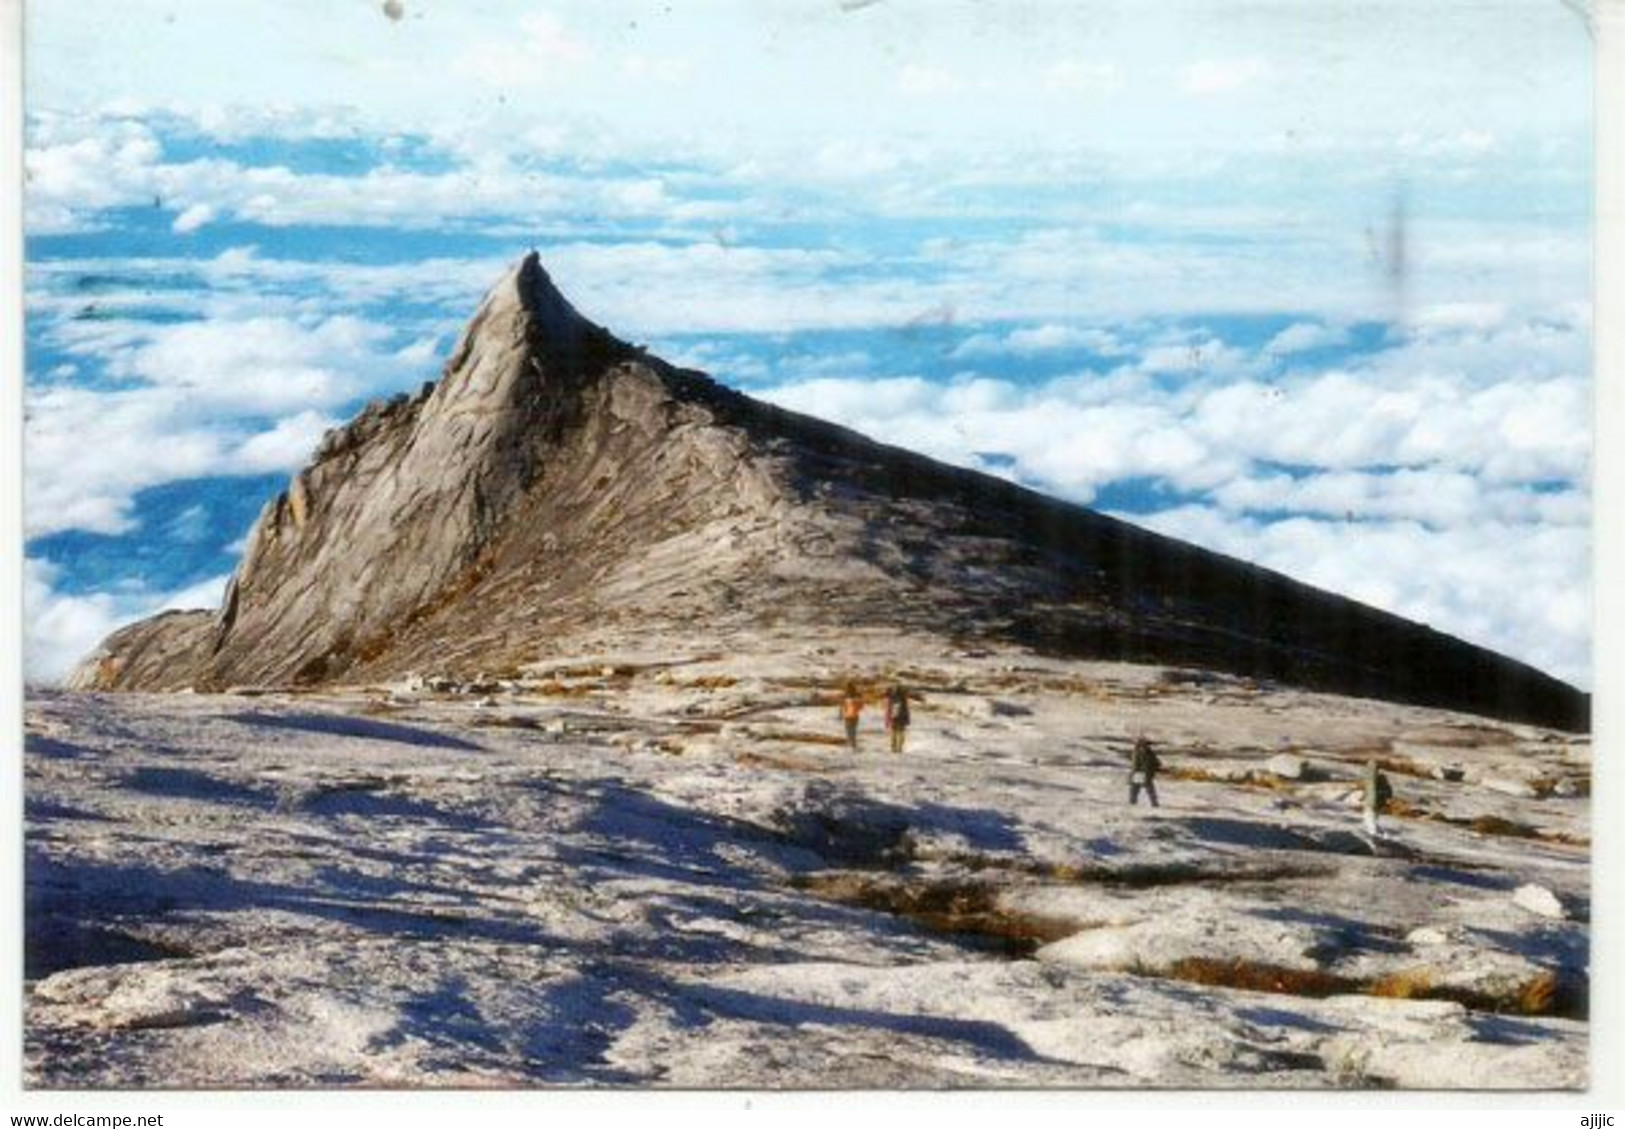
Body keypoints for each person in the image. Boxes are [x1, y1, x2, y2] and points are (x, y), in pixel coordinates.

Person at [1364, 758, 1393, 839]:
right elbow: (1368, 789)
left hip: (1373, 803)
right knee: (1371, 819)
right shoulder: (1377, 778)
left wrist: (1386, 799)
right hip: (1373, 803)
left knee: (1370, 819)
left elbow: (1387, 790)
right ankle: (1381, 834)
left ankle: (1375, 835)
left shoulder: (1378, 779)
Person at [1129, 736, 1161, 807]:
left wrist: (1156, 767)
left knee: (1150, 790)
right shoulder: (1136, 753)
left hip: (1145, 774)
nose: (1144, 746)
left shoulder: (1150, 753)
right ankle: (1132, 802)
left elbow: (1156, 762)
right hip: (1138, 774)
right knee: (1135, 789)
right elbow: (1135, 765)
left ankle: (1154, 803)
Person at [884, 684, 911, 754]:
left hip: (893, 718)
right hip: (901, 719)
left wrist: (887, 720)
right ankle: (900, 748)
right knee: (901, 732)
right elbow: (906, 710)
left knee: (893, 732)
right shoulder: (903, 699)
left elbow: (888, 710)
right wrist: (907, 719)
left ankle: (893, 747)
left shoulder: (891, 699)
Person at [839, 682, 864, 751]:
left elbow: (843, 706)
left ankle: (852, 744)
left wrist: (841, 714)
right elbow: (861, 705)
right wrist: (856, 710)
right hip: (853, 716)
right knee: (852, 730)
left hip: (849, 716)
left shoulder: (846, 696)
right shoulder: (856, 696)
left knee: (849, 730)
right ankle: (852, 744)